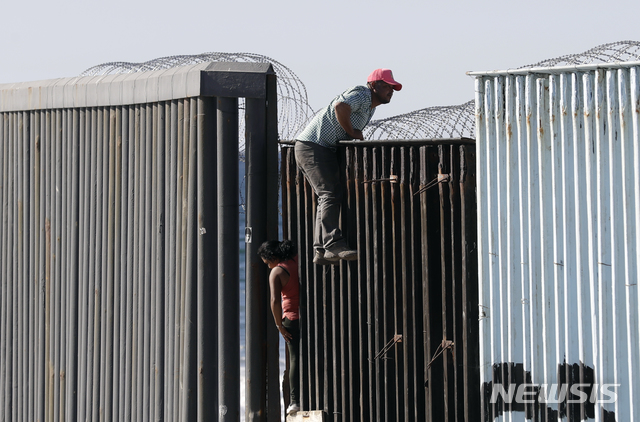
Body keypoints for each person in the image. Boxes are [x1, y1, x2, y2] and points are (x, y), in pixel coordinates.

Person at [294, 68, 402, 265]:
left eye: (392, 87)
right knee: (329, 194)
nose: (390, 90)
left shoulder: (371, 106)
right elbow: (340, 106)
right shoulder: (362, 93)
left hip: (319, 147)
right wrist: (352, 132)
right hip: (315, 146)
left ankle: (321, 249)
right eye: (386, 85)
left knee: (327, 195)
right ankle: (333, 242)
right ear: (373, 85)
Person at [257, 239, 301, 416]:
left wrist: (279, 325)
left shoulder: (277, 272)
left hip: (291, 318)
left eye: (267, 262)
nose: (268, 267)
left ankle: (295, 401)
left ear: (273, 257)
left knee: (294, 359)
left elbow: (275, 301)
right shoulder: (296, 260)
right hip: (307, 316)